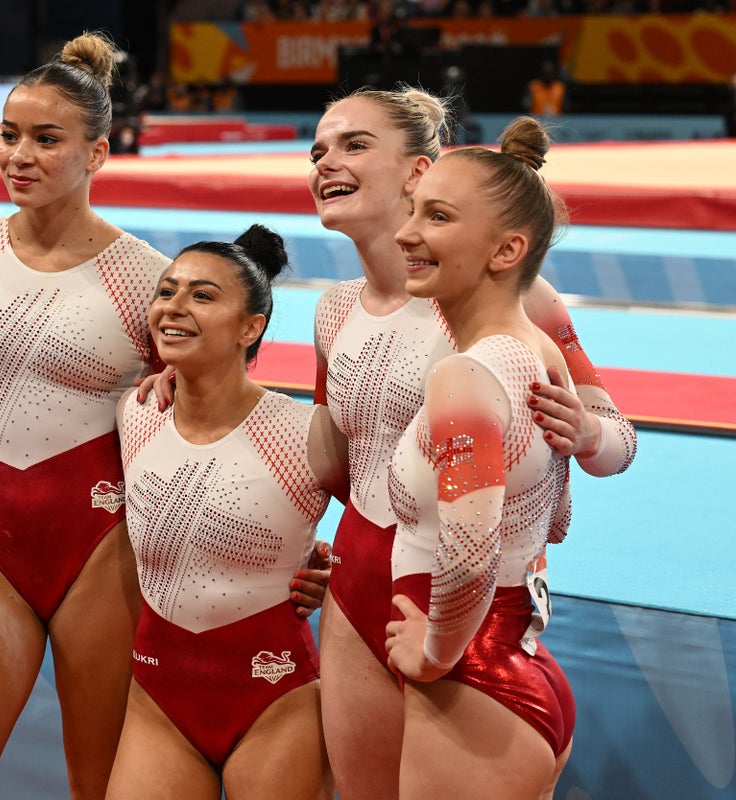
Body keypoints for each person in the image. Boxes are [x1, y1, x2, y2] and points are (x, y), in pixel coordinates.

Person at [0, 33, 329, 799]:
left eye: (45, 139)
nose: (19, 156)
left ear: (98, 153)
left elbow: (221, 418)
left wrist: (300, 549)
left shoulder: (146, 279)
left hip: (100, 556)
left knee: (97, 787)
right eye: (8, 136)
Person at [306, 86, 636, 799]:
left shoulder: (516, 301)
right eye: (318, 150)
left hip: (468, 607)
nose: (327, 160)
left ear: (419, 169)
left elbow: (618, 440)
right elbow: (326, 468)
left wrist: (588, 432)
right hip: (360, 590)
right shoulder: (333, 313)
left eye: (354, 145)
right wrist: (194, 392)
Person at [107, 225, 348, 799]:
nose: (174, 307)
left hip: (274, 697)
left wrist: (336, 579)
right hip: (157, 697)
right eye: (167, 291)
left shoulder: (307, 434)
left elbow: (391, 527)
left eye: (203, 295)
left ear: (251, 328)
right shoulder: (135, 414)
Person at [386, 115, 575, 798]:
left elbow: (469, 550)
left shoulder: (465, 376)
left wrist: (436, 655)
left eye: (436, 217)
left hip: (472, 680)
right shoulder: (538, 350)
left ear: (506, 250)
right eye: (411, 211)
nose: (406, 233)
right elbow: (554, 518)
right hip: (522, 660)